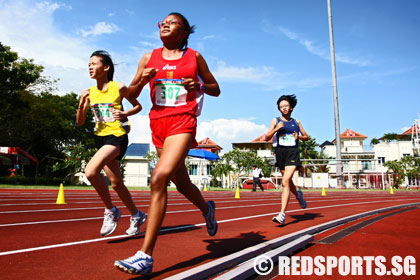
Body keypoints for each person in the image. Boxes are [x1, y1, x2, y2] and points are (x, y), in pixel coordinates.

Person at [114, 13, 221, 275]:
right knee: (180, 182)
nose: (165, 24)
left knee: (159, 178)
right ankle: (207, 208)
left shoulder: (194, 57)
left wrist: (197, 84)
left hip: (183, 123)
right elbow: (132, 95)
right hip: (158, 124)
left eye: (172, 22)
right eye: (162, 21)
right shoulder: (148, 57)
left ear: (184, 33)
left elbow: (215, 87)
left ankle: (145, 255)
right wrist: (142, 78)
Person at [76, 50, 147, 237]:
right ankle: (136, 214)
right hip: (100, 137)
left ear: (106, 67)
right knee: (116, 183)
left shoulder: (119, 87)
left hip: (117, 136)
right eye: (88, 64)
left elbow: (138, 106)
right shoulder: (89, 93)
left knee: (90, 171)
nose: (90, 67)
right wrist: (82, 102)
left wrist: (124, 114)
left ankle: (110, 210)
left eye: (94, 63)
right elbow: (80, 122)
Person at [264, 94, 308, 225]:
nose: (284, 108)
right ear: (279, 108)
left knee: (284, 181)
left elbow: (306, 137)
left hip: (293, 152)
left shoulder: (296, 122)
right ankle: (298, 196)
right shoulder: (275, 121)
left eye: (286, 106)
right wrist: (277, 128)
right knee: (287, 182)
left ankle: (282, 214)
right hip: (280, 152)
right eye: (281, 106)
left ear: (291, 108)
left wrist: (298, 137)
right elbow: (267, 137)